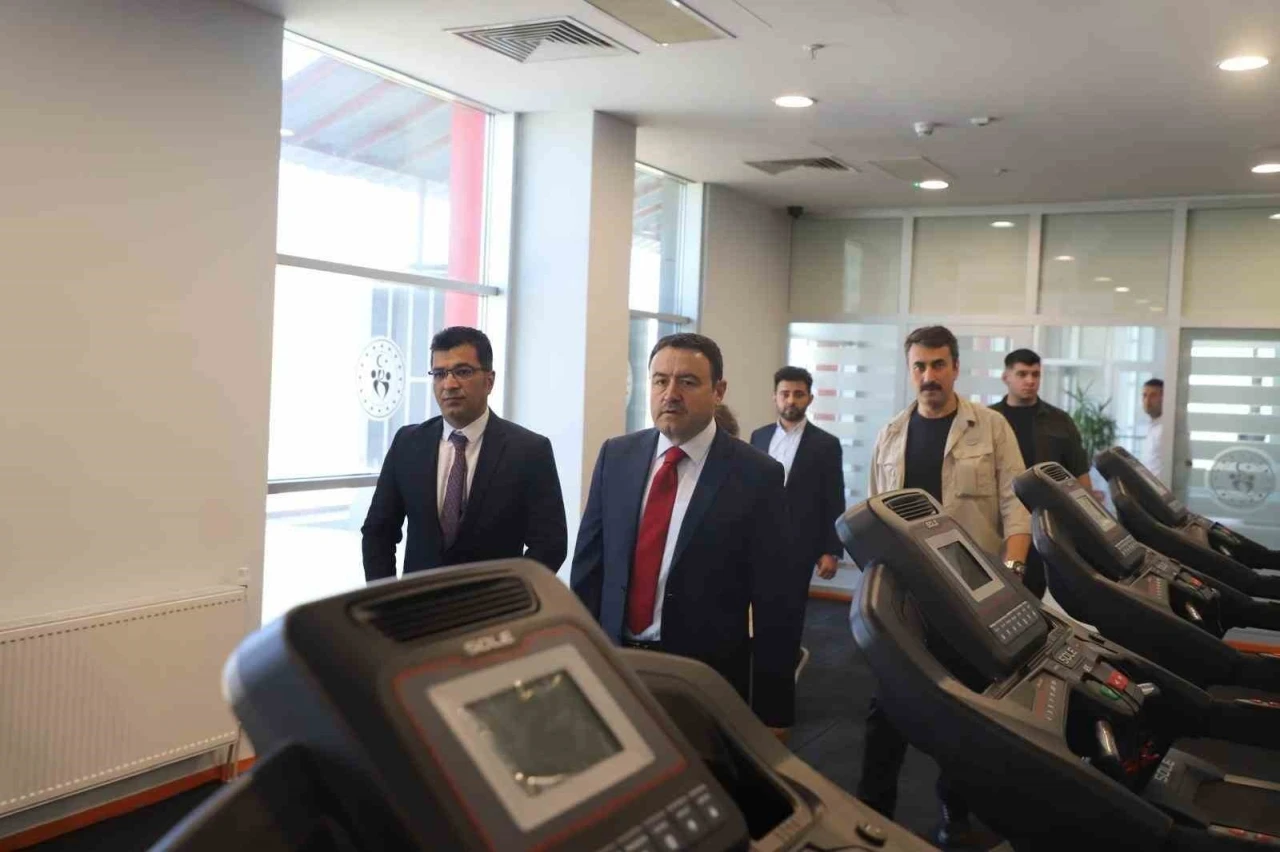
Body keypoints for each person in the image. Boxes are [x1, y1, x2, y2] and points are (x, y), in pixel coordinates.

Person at [570, 333, 802, 733]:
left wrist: (773, 711)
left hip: (702, 677)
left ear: (719, 391)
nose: (670, 394)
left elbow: (775, 602)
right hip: (616, 665)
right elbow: (588, 571)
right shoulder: (616, 456)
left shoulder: (756, 475)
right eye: (660, 381)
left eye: (687, 382)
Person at [858, 325, 1031, 848]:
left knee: (966, 712)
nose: (928, 376)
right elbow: (874, 513)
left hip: (972, 596)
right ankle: (870, 816)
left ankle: (955, 814)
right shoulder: (891, 434)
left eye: (938, 365)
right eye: (919, 366)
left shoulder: (991, 427)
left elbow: (1016, 506)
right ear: (909, 370)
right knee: (886, 711)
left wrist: (1013, 572)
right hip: (906, 600)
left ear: (955, 367)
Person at [361, 326, 567, 581]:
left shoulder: (529, 452)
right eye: (439, 374)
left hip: (494, 603)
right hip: (418, 603)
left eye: (463, 372)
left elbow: (550, 545)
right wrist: (387, 598)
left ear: (489, 381)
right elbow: (378, 532)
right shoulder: (407, 444)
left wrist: (510, 596)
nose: (449, 384)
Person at [989, 349, 1093, 598]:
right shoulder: (989, 420)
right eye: (1022, 374)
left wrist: (1086, 528)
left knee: (1033, 595)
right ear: (1006, 377)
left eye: (1035, 374)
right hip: (998, 525)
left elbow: (1080, 476)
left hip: (1044, 526)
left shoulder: (1059, 421)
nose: (1030, 381)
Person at [749, 366, 846, 582]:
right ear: (775, 397)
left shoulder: (826, 445)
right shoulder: (759, 437)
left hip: (800, 546)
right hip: (757, 542)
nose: (791, 400)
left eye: (798, 394)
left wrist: (831, 551)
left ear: (810, 399)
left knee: (792, 602)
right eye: (785, 394)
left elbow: (834, 499)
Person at [1140, 378, 1169, 484]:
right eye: (1144, 395)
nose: (1147, 401)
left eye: (1153, 396)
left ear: (1164, 398)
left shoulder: (1168, 429)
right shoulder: (1152, 427)